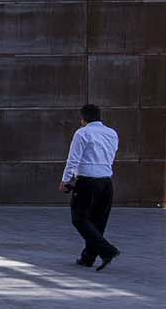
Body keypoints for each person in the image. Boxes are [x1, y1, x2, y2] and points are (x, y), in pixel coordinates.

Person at [61, 103, 120, 270]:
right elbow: (111, 155)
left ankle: (107, 251)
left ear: (83, 119)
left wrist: (66, 180)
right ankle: (88, 258)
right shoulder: (112, 133)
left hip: (87, 181)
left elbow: (73, 159)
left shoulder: (82, 133)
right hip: (106, 181)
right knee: (98, 221)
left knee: (79, 218)